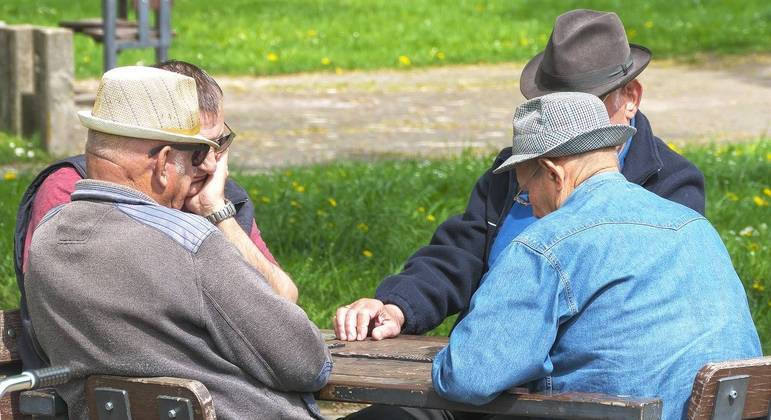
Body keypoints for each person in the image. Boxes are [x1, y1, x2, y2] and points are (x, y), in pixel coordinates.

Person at [334, 9, 706, 344]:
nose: (567, 125)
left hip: (575, 379)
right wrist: (396, 306)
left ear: (631, 97)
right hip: (481, 363)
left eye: (585, 106)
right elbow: (459, 254)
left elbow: (644, 311)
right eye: (557, 105)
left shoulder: (669, 186)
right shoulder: (518, 167)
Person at [24, 66, 331, 419]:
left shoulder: (46, 239)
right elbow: (307, 362)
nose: (209, 166)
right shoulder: (191, 242)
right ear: (166, 163)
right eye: (197, 155)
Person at [431, 92, 760, 420]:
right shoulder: (695, 227)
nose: (527, 202)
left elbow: (468, 376)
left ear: (553, 174)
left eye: (524, 189)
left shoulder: (546, 246)